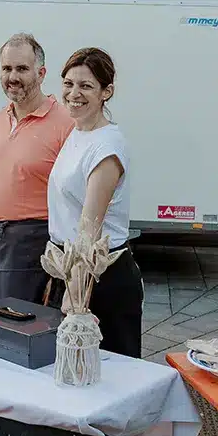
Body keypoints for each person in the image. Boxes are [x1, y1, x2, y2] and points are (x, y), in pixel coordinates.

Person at [0, 33, 75, 304]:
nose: (13, 76)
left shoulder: (66, 123)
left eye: (22, 68)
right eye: (7, 68)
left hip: (31, 245)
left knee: (18, 332)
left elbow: (76, 197)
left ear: (41, 73)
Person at [46, 47, 143, 358]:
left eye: (86, 86)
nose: (74, 93)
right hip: (70, 268)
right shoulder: (78, 133)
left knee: (111, 374)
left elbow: (89, 228)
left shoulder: (107, 146)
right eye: (68, 83)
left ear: (106, 92)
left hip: (98, 277)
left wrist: (75, 296)